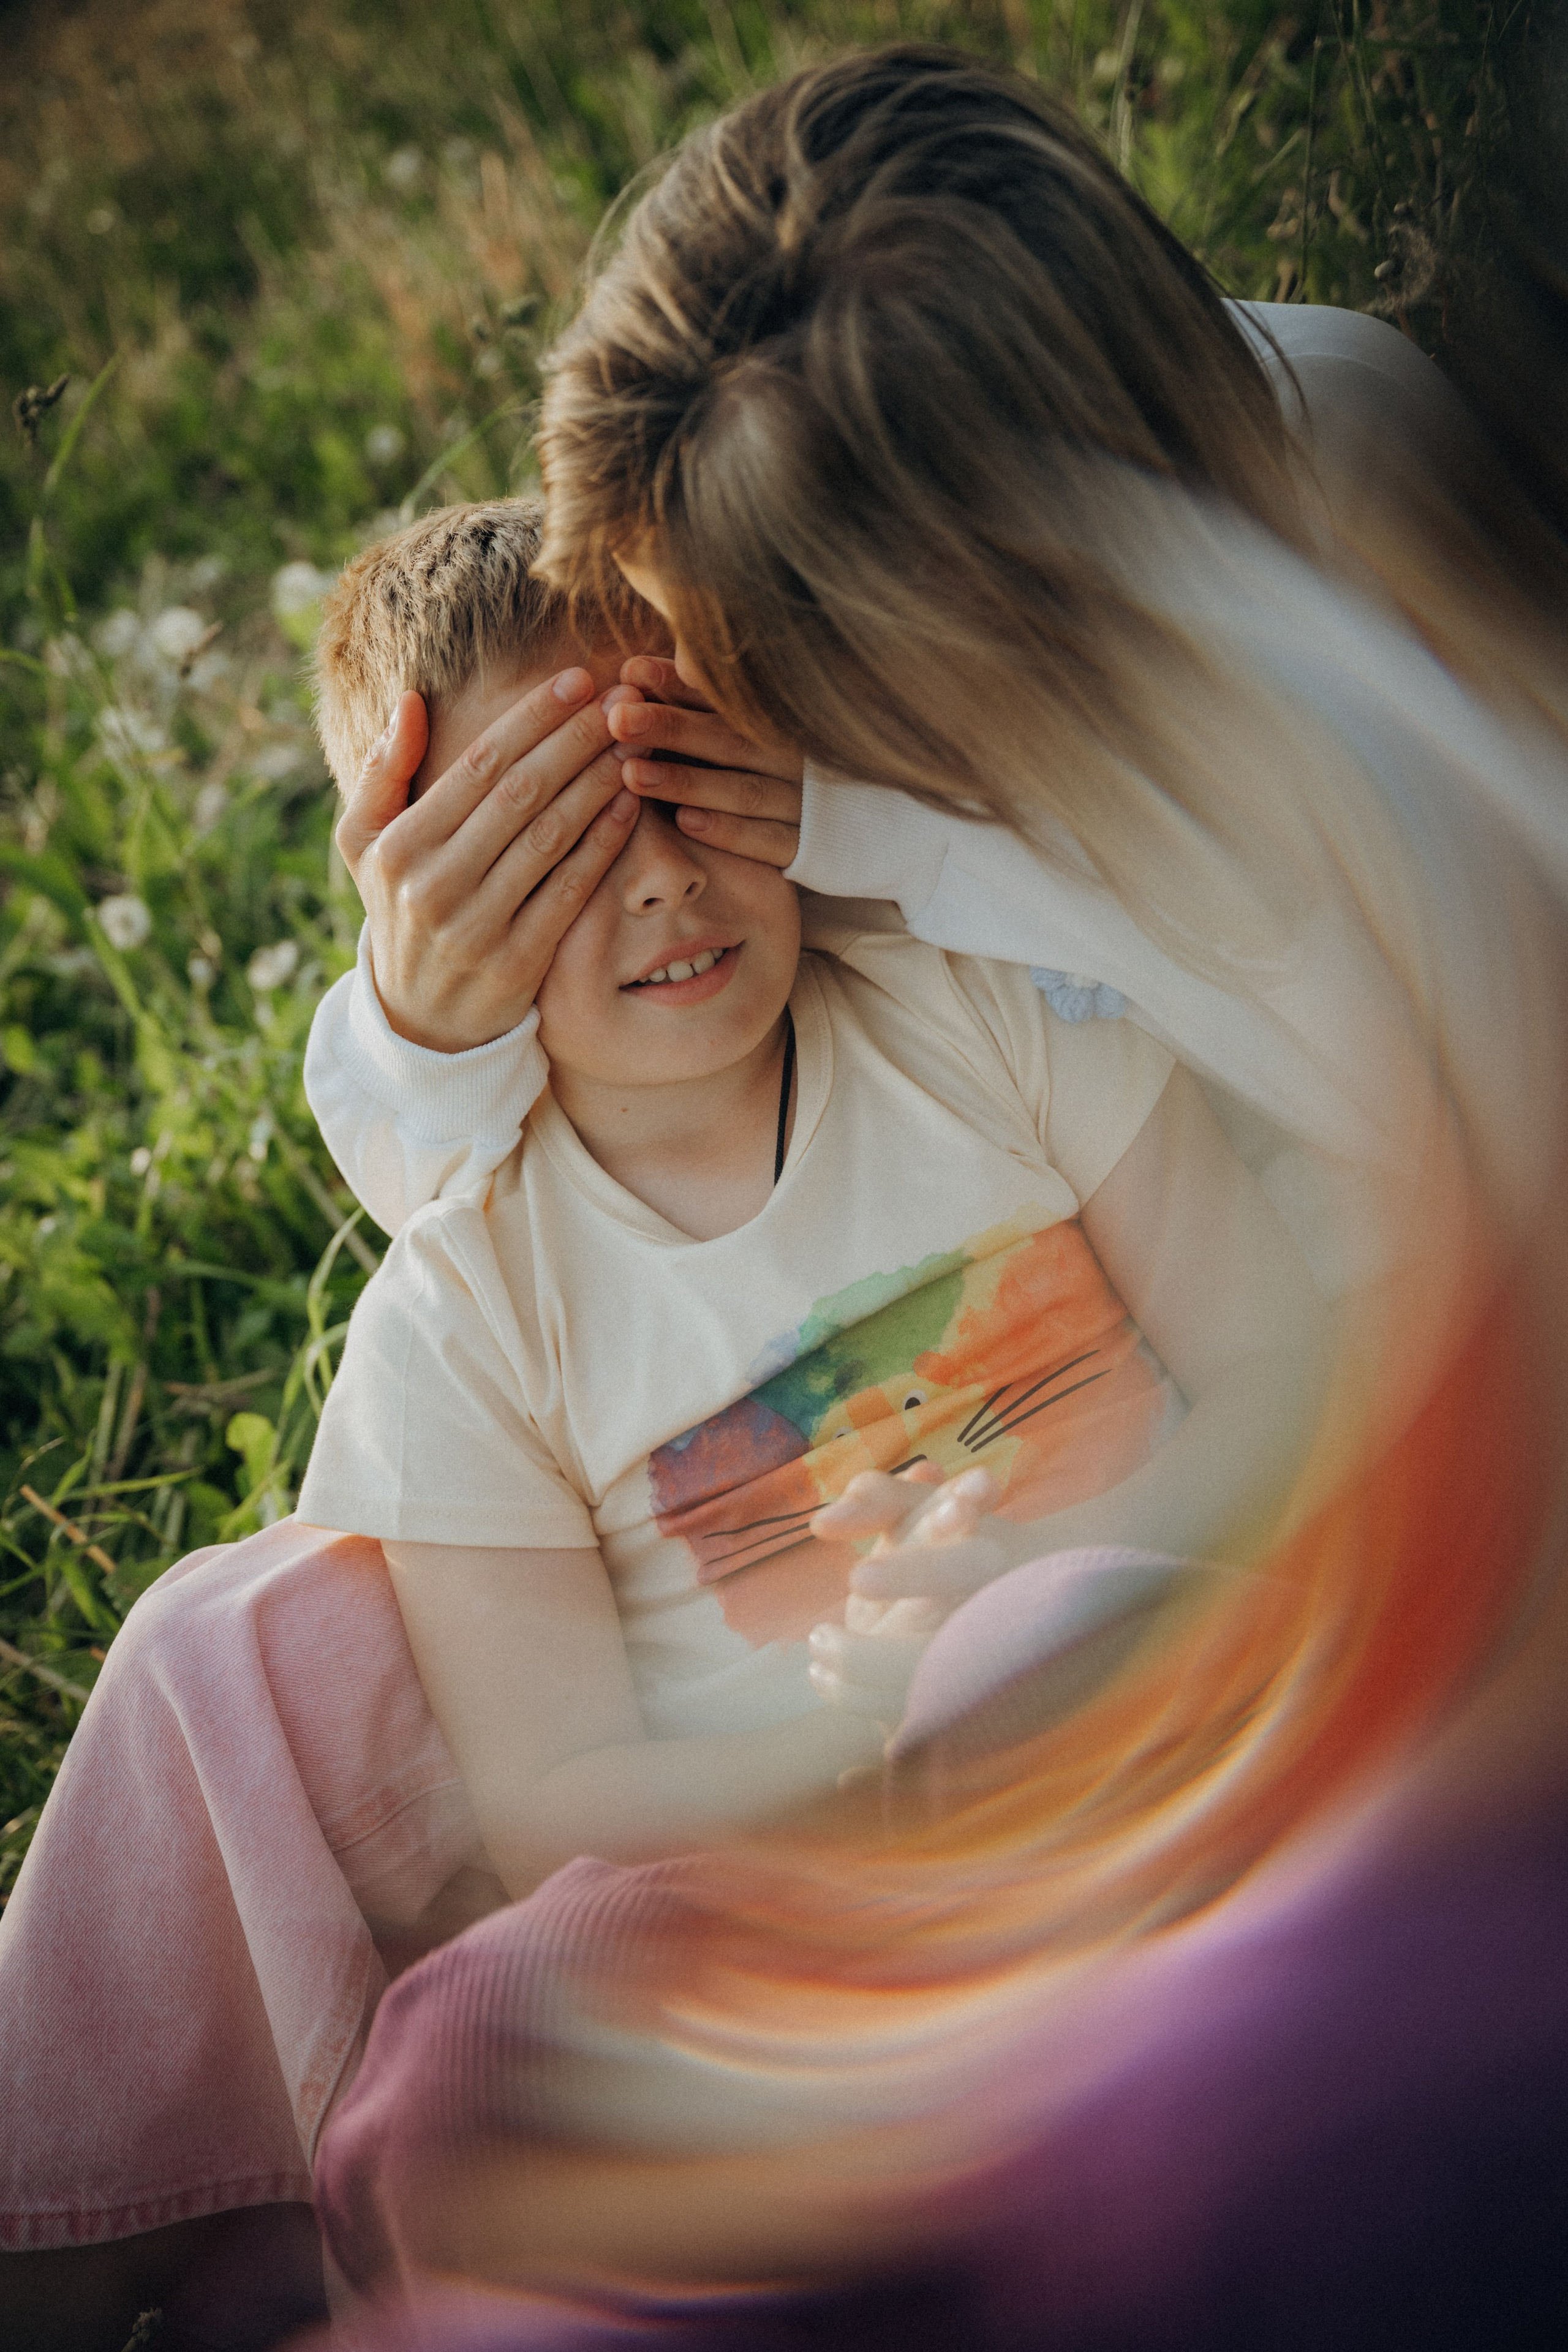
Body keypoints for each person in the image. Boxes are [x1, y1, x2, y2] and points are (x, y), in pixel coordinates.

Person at [294, 493, 1325, 1893]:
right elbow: (555, 1807)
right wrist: (881, 1737)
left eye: (683, 776)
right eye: (561, 842)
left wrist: (1048, 1589)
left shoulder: (980, 1011)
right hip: (828, 1882)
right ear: (434, 904)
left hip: (1195, 1702)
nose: (660, 876)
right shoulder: (458, 1322)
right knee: (476, 2039)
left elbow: (1286, 1369)